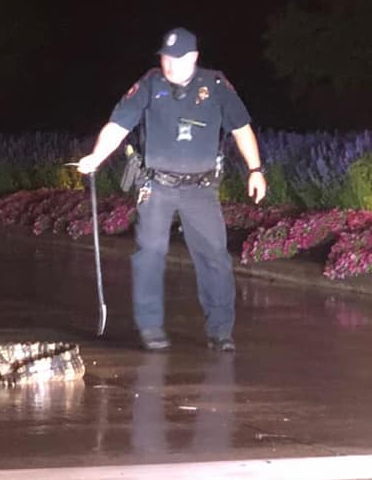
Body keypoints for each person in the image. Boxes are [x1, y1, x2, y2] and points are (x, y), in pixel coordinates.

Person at [76, 27, 266, 351]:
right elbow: (119, 125)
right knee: (149, 255)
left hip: (201, 189)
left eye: (176, 58)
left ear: (193, 57)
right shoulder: (150, 83)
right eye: (165, 57)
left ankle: (221, 331)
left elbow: (241, 128)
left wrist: (255, 170)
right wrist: (96, 156)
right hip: (157, 185)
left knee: (215, 258)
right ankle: (151, 328)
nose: (169, 64)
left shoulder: (215, 85)